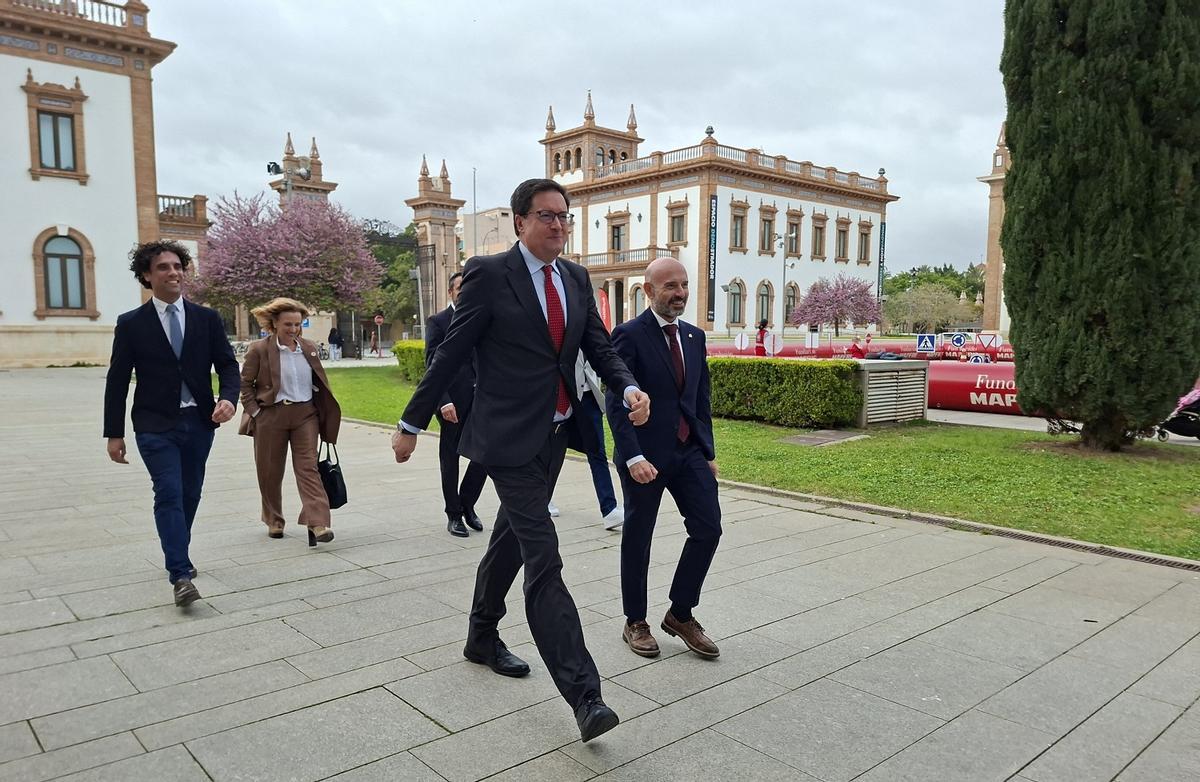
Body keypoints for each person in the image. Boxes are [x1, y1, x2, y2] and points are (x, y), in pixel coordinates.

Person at [391, 178, 650, 743]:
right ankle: (585, 695)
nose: (558, 225)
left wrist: (627, 386)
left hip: (554, 434)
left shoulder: (575, 278)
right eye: (546, 215)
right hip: (507, 438)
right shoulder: (488, 274)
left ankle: (481, 634)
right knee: (543, 556)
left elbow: (599, 346)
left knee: (509, 538)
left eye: (564, 216)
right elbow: (450, 352)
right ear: (519, 221)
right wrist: (412, 423)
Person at [103, 240, 239, 608]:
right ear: (146, 275)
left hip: (199, 421)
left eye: (178, 266)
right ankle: (179, 574)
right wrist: (114, 433)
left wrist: (229, 397)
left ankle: (179, 550)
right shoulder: (131, 324)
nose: (173, 272)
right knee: (168, 492)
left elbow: (228, 365)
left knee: (190, 493)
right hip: (154, 424)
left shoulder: (206, 319)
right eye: (163, 267)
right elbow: (117, 381)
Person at [607, 256, 722, 661]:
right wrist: (633, 456)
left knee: (708, 528)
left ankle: (680, 613)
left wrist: (707, 452)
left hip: (689, 452)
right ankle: (635, 621)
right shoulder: (628, 335)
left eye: (684, 285)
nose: (680, 293)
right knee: (639, 537)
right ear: (649, 290)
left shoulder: (694, 336)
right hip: (646, 457)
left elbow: (700, 400)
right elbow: (616, 402)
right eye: (671, 286)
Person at [239, 298, 342, 546]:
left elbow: (319, 382)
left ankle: (317, 522)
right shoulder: (259, 349)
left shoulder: (308, 348)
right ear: (274, 323)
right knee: (270, 471)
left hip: (305, 416)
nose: (294, 329)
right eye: (288, 324)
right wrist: (255, 413)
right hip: (270, 416)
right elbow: (245, 384)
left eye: (297, 324)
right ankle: (274, 519)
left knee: (309, 468)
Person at [425, 272, 488, 537]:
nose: (464, 291)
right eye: (460, 287)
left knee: (485, 455)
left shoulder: (482, 318)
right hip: (452, 402)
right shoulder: (438, 322)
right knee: (450, 458)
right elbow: (432, 365)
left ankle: (467, 503)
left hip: (482, 399)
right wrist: (444, 401)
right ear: (451, 291)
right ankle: (453, 514)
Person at [561, 354, 623, 531]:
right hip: (563, 394)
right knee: (553, 450)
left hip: (590, 396)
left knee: (597, 452)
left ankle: (609, 509)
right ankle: (543, 500)